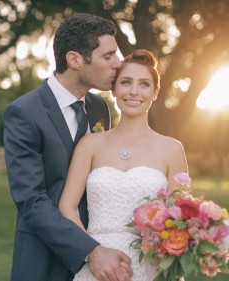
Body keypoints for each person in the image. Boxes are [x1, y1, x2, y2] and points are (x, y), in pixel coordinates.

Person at [3, 13, 133, 281]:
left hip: (104, 253)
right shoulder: (24, 112)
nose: (118, 64)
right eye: (108, 57)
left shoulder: (100, 108)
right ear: (75, 59)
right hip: (44, 259)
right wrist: (91, 251)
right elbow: (31, 201)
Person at [59, 49, 189, 281]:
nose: (134, 92)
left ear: (155, 92)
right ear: (114, 88)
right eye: (126, 82)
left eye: (144, 84)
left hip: (150, 266)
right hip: (97, 266)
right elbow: (67, 206)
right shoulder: (90, 144)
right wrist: (92, 253)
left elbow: (179, 218)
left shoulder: (171, 149)